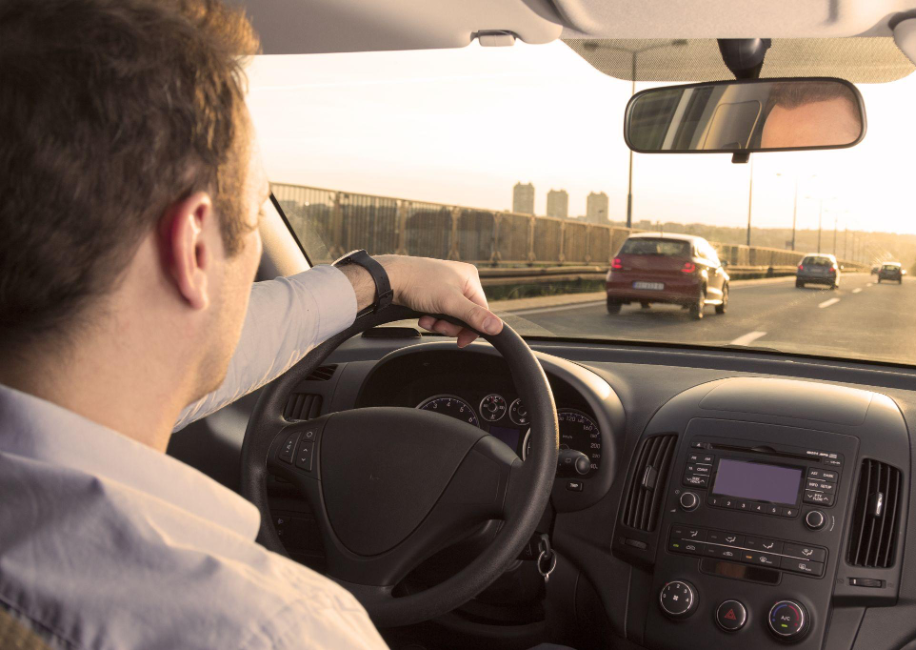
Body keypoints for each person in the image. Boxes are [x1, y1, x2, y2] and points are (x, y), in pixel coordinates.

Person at [0, 1, 568, 648]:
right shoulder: (273, 628)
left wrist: (377, 280)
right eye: (247, 222)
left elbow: (151, 353)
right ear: (193, 250)